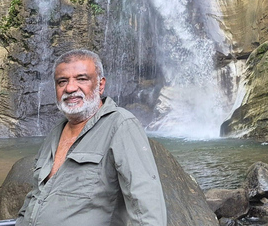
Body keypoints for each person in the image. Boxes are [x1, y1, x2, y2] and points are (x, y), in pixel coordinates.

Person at [16, 49, 167, 226]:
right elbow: (37, 193)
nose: (70, 88)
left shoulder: (121, 125)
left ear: (100, 85)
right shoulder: (56, 131)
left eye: (82, 79)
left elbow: (146, 205)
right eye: (62, 81)